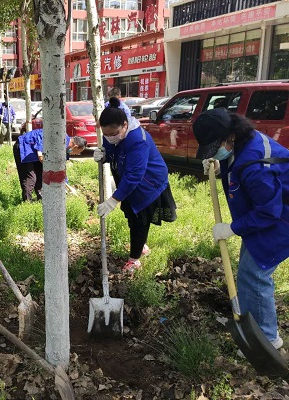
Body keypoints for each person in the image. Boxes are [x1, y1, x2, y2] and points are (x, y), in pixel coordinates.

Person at [193, 108, 289, 353]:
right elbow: (236, 166)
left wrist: (232, 228)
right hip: (268, 213)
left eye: (216, 147)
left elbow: (269, 211)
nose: (215, 152)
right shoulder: (243, 142)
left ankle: (267, 340)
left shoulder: (255, 165)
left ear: (231, 136)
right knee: (248, 272)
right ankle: (253, 329)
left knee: (255, 274)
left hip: (280, 218)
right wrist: (220, 167)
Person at [94, 98, 177, 272]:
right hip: (129, 182)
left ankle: (135, 259)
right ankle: (140, 245)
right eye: (106, 134)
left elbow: (134, 175)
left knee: (140, 219)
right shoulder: (114, 134)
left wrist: (113, 200)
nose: (109, 138)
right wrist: (105, 155)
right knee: (131, 216)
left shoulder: (137, 140)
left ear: (125, 125)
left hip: (148, 183)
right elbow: (114, 151)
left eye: (113, 134)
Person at [13, 127, 87, 201]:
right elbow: (41, 152)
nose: (77, 154)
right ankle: (27, 203)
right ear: (75, 147)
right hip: (25, 146)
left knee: (41, 176)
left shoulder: (65, 151)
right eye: (78, 152)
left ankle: (41, 200)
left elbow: (61, 168)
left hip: (36, 153)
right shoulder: (59, 137)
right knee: (30, 178)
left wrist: (64, 183)